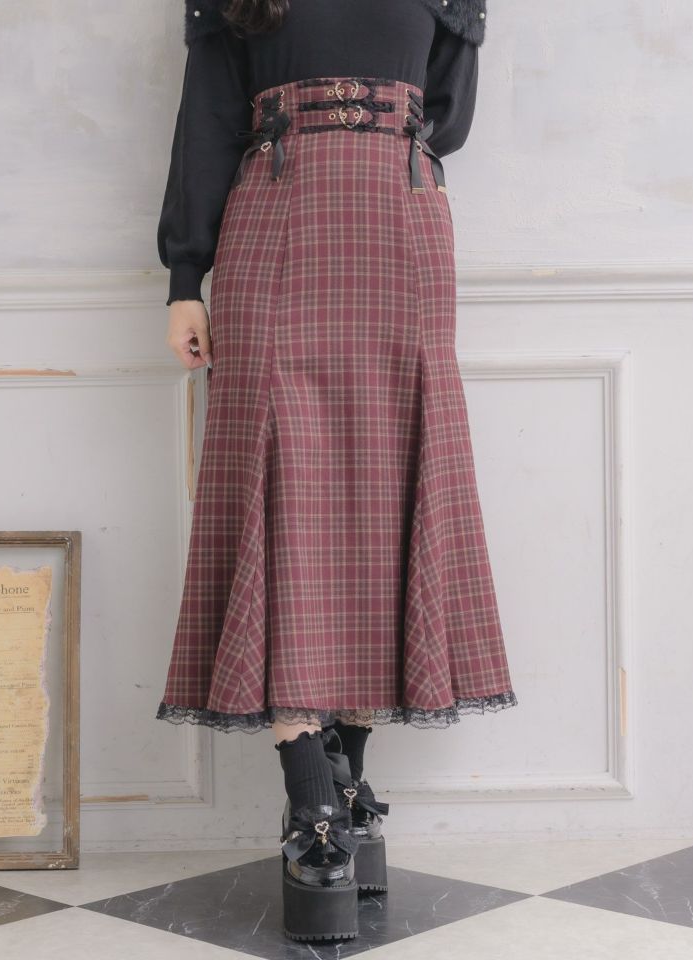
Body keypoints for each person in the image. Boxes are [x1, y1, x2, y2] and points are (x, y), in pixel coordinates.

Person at [154, 0, 518, 941]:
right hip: (276, 227)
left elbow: (447, 120)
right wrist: (185, 280)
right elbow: (206, 122)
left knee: (385, 502)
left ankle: (345, 786)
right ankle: (312, 794)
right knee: (280, 494)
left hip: (401, 231)